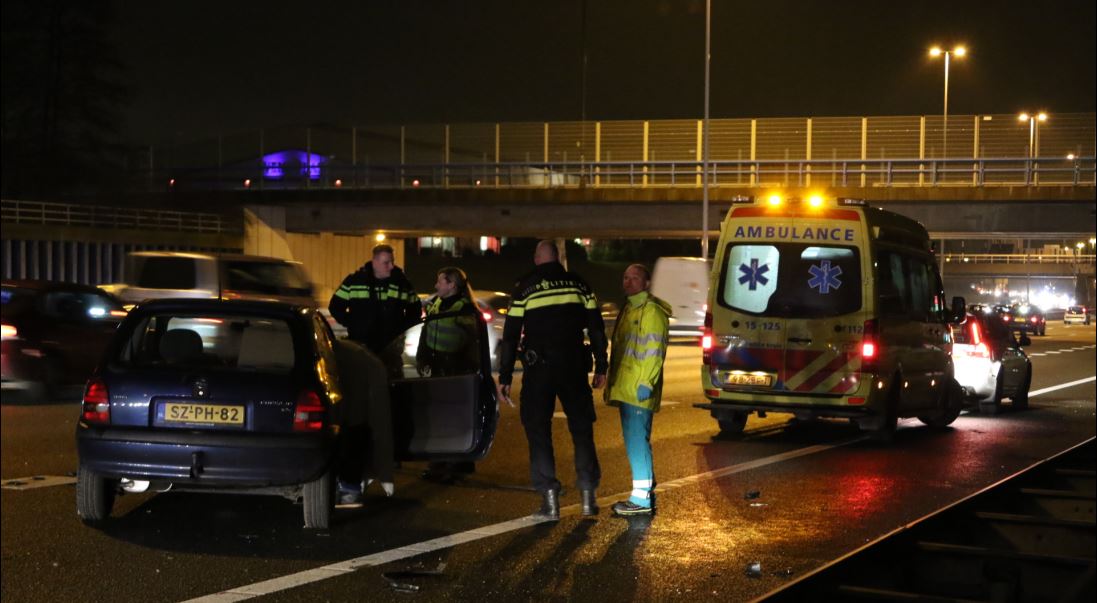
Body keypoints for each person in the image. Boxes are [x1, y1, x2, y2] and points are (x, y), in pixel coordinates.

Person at [496, 240, 609, 520]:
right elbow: (595, 327)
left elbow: (510, 336)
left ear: (537, 258)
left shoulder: (524, 287)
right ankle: (587, 497)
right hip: (573, 366)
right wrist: (602, 365)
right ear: (557, 257)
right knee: (581, 430)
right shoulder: (579, 284)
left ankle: (550, 501)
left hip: (539, 370)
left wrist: (506, 375)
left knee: (538, 431)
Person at [328, 244, 421, 506]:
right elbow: (335, 306)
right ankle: (364, 463)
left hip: (389, 354)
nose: (390, 266)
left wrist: (398, 330)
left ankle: (390, 453)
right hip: (362, 352)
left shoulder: (401, 283)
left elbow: (414, 312)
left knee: (391, 407)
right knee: (360, 411)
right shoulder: (355, 281)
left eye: (391, 262)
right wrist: (354, 324)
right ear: (374, 261)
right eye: (386, 262)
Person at [604, 264, 671, 516]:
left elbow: (654, 351)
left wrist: (646, 382)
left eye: (635, 278)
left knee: (636, 442)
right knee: (634, 441)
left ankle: (641, 499)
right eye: (625, 277)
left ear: (646, 283)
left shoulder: (651, 311)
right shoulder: (630, 308)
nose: (629, 281)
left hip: (638, 389)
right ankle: (645, 491)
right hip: (626, 387)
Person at [418, 266, 479, 482]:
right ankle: (440, 462)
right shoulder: (436, 304)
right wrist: (422, 358)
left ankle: (453, 464)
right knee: (437, 418)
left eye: (440, 281)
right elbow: (426, 332)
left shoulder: (464, 309)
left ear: (451, 284)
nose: (436, 285)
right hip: (437, 368)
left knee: (452, 420)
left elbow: (472, 342)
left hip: (455, 370)